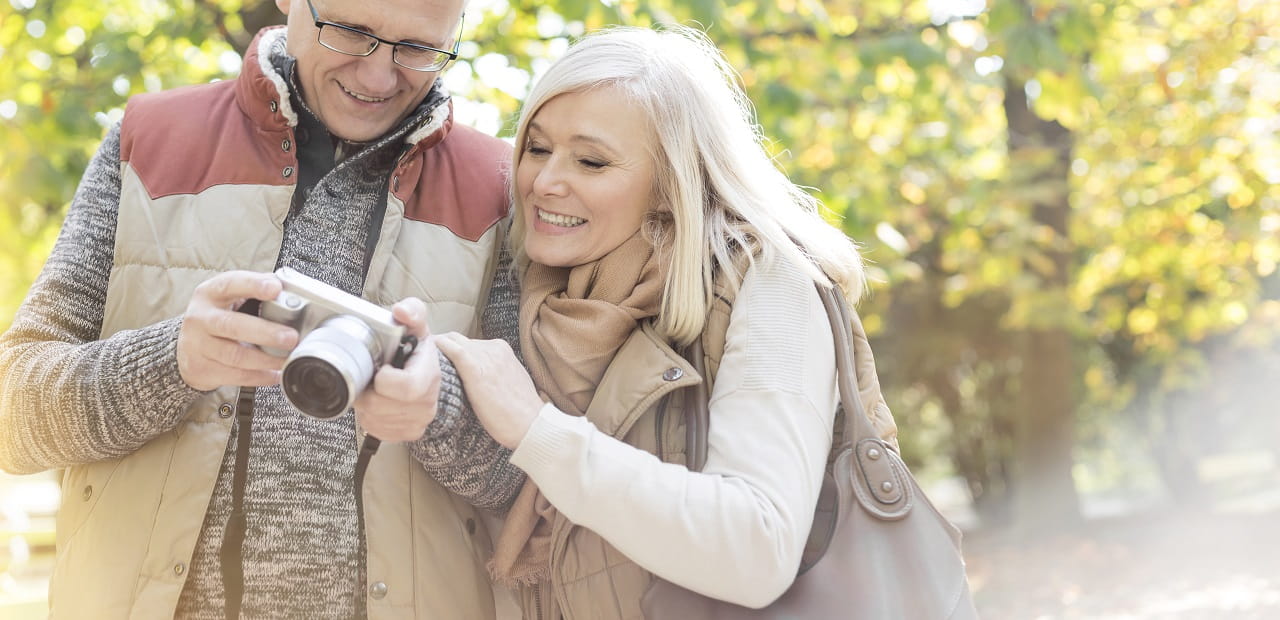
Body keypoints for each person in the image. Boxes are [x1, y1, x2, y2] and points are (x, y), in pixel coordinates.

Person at [0, 0, 525, 617]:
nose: (379, 78)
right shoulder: (147, 140)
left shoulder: (503, 189)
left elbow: (526, 486)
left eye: (419, 49)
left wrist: (435, 414)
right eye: (351, 32)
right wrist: (172, 362)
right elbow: (14, 422)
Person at [434, 25, 901, 618]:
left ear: (671, 182)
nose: (544, 182)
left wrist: (534, 431)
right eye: (537, 148)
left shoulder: (767, 283)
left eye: (591, 160)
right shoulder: (524, 294)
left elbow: (759, 547)